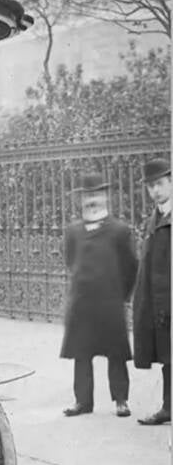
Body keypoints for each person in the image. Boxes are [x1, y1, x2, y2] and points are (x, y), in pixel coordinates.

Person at [59, 173, 137, 417]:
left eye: (96, 195)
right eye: (87, 196)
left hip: (110, 301)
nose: (92, 200)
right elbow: (71, 261)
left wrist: (120, 295)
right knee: (81, 353)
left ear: (105, 197)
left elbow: (131, 266)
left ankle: (121, 400)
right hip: (82, 303)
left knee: (116, 353)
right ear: (81, 200)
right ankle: (83, 402)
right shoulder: (73, 231)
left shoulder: (119, 230)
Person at [134, 158, 171, 425]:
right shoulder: (154, 219)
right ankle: (168, 407)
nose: (155, 191)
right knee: (168, 355)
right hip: (160, 301)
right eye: (151, 186)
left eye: (159, 184)